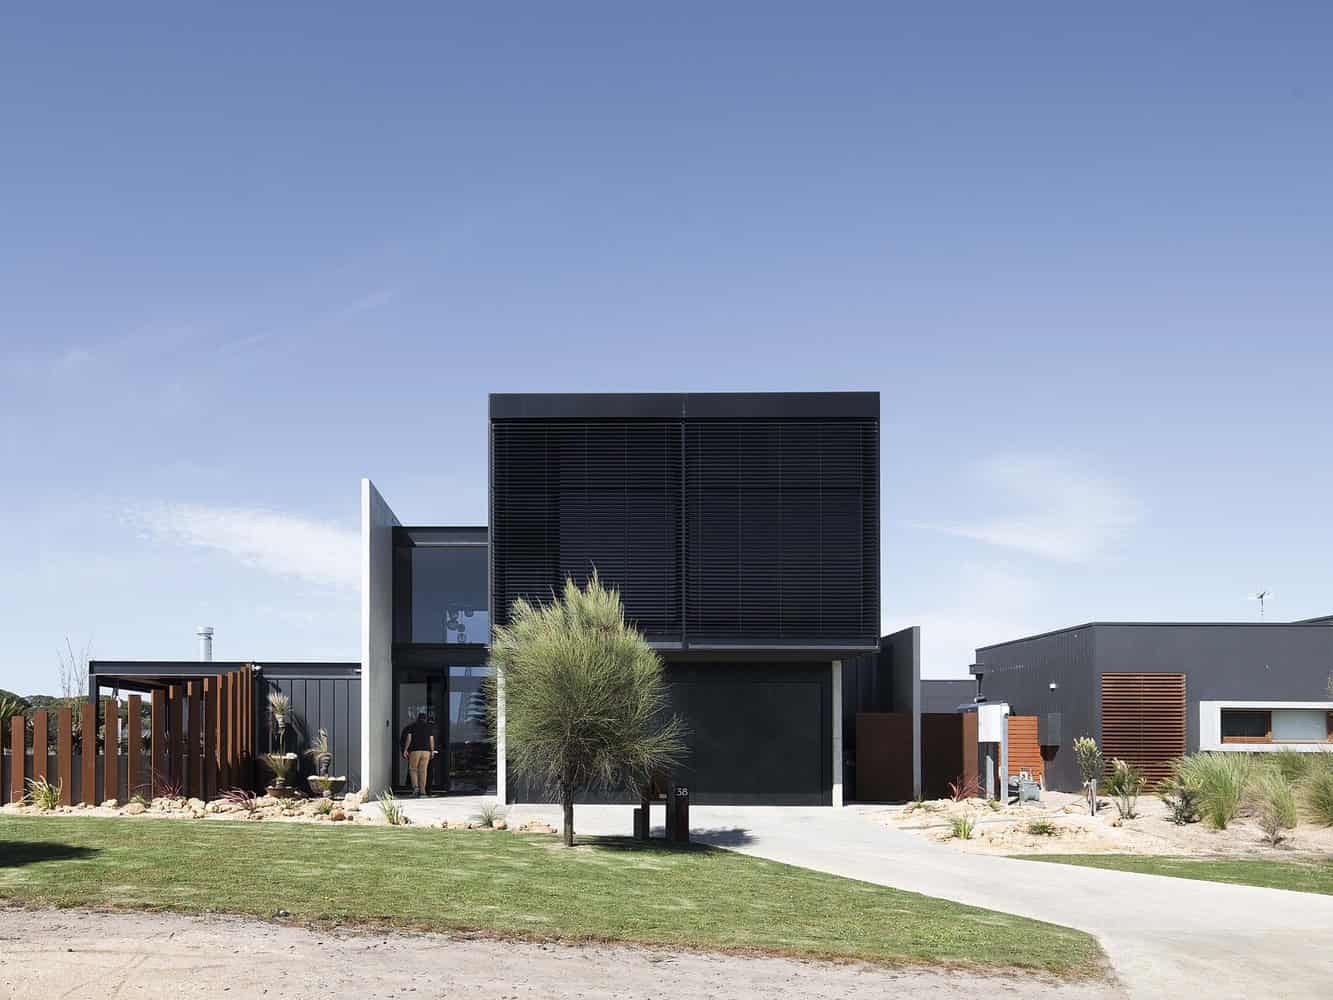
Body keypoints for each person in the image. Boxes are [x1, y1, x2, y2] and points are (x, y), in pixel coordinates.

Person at [402, 712, 437, 797]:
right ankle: (423, 791)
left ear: (417, 718)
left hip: (415, 751)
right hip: (426, 752)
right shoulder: (429, 727)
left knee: (413, 769)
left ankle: (415, 789)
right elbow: (431, 740)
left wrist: (405, 749)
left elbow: (409, 738)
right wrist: (432, 751)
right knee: (423, 771)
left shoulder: (412, 726)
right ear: (425, 719)